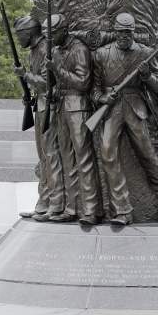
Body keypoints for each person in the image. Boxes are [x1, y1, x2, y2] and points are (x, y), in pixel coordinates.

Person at [92, 12, 158, 225]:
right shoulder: (101, 54)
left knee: (147, 154)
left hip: (135, 107)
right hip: (112, 109)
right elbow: (93, 90)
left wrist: (147, 75)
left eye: (128, 32)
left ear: (133, 32)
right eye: (120, 32)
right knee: (108, 153)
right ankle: (122, 210)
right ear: (115, 31)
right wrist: (103, 97)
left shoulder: (145, 53)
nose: (124, 36)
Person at [41, 14, 101, 225]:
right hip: (61, 108)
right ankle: (72, 207)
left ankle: (91, 209)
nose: (49, 39)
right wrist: (54, 88)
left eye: (52, 34)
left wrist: (57, 69)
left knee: (83, 159)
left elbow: (83, 82)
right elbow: (60, 82)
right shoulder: (56, 51)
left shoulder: (80, 50)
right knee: (68, 159)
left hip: (78, 108)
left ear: (63, 30)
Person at [12, 16, 65, 220]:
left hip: (50, 107)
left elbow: (47, 84)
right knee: (43, 158)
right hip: (40, 107)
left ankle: (57, 203)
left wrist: (25, 75)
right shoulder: (34, 51)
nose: (19, 40)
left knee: (52, 156)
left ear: (29, 33)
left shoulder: (44, 50)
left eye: (20, 36)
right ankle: (43, 203)